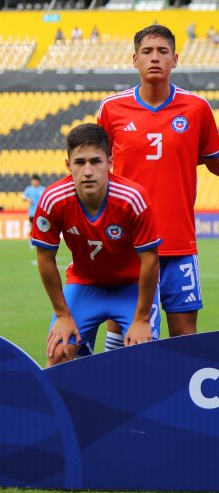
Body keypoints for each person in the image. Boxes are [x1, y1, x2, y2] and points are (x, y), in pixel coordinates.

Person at [97, 24, 219, 338]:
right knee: (123, 333)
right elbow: (99, 172)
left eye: (162, 51)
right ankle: (118, 387)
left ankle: (178, 388)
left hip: (179, 244)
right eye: (147, 52)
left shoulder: (196, 109)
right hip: (128, 245)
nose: (155, 58)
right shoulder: (112, 110)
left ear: (175, 59)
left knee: (184, 337)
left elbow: (218, 163)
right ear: (134, 60)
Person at [31, 124, 161, 365]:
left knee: (145, 357)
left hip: (131, 287)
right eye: (80, 162)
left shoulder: (133, 198)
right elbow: (45, 257)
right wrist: (62, 315)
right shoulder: (52, 200)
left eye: (95, 161)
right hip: (85, 284)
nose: (88, 171)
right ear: (68, 165)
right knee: (59, 353)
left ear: (110, 162)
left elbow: (150, 259)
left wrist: (142, 318)